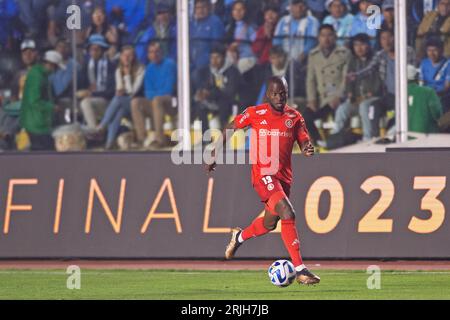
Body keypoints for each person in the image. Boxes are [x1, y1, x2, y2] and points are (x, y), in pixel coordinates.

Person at [205, 76, 320, 286]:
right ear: (268, 94)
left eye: (282, 93)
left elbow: (304, 141)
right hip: (262, 174)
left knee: (270, 223)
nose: (279, 97)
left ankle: (239, 237)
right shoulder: (254, 113)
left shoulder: (295, 117)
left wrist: (307, 149)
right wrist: (215, 152)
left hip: (284, 178)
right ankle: (301, 269)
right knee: (288, 212)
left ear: (287, 92)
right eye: (275, 93)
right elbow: (231, 127)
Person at [347, 29, 416, 136]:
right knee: (373, 107)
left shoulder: (408, 51)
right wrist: (356, 75)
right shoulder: (381, 55)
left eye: (390, 37)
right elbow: (369, 69)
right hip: (390, 95)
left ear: (396, 37)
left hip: (406, 94)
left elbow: (413, 72)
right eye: (383, 38)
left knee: (401, 114)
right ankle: (373, 138)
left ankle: (394, 135)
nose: (387, 41)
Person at [304, 24, 350, 144]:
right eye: (323, 35)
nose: (326, 38)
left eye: (329, 35)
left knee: (340, 118)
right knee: (305, 117)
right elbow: (311, 79)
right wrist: (312, 99)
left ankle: (332, 144)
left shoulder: (344, 53)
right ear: (318, 37)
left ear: (335, 36)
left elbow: (347, 78)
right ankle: (318, 142)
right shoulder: (313, 55)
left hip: (337, 98)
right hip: (321, 99)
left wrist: (339, 97)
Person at [331, 33, 382, 141]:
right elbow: (349, 82)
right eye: (356, 45)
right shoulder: (353, 61)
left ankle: (367, 139)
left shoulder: (375, 60)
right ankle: (334, 139)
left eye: (362, 44)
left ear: (368, 45)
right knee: (342, 109)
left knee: (364, 106)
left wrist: (368, 94)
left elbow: (379, 83)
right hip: (357, 99)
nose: (359, 48)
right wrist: (350, 94)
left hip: (373, 98)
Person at [95, 46, 145, 150]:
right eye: (124, 55)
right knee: (119, 112)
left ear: (134, 57)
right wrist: (123, 88)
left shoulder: (140, 69)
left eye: (130, 56)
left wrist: (127, 75)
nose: (127, 58)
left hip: (137, 104)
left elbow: (133, 92)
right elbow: (119, 90)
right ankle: (109, 144)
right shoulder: (118, 70)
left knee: (118, 99)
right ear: (121, 57)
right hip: (124, 103)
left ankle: (102, 126)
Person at [130, 42, 176, 149]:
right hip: (155, 103)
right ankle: (142, 139)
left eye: (156, 52)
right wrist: (154, 96)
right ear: (148, 55)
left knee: (157, 100)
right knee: (135, 102)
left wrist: (155, 96)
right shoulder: (149, 68)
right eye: (151, 52)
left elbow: (168, 89)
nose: (154, 54)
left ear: (161, 52)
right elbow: (147, 92)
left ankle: (160, 139)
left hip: (172, 102)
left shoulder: (170, 64)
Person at [20, 50, 65, 151]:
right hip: (35, 124)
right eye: (55, 68)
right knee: (44, 152)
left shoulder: (42, 75)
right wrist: (52, 107)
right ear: (50, 64)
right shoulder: (37, 76)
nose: (55, 71)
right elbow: (34, 101)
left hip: (39, 123)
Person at [192, 45, 241, 134]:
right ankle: (206, 138)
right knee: (200, 105)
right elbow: (207, 87)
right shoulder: (208, 71)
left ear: (223, 58)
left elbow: (230, 92)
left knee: (223, 103)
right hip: (214, 100)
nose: (214, 60)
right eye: (212, 57)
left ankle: (225, 137)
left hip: (230, 102)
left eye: (217, 57)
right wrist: (202, 93)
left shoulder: (232, 71)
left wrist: (211, 93)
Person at [0, 39, 38, 149]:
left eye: (31, 52)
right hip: (18, 106)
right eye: (25, 53)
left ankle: (7, 134)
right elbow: (13, 94)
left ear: (36, 54)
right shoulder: (19, 74)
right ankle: (4, 137)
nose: (28, 55)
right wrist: (11, 102)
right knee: (5, 112)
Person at [78, 34, 116, 131]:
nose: (94, 52)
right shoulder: (86, 65)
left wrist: (92, 93)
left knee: (85, 103)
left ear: (102, 50)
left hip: (106, 102)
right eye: (92, 49)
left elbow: (111, 91)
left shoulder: (110, 65)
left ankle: (93, 130)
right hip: (92, 99)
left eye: (97, 49)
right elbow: (80, 84)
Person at [190, 0, 225, 72]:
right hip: (192, 63)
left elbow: (216, 45)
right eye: (198, 8)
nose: (200, 10)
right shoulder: (193, 24)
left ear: (209, 8)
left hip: (208, 65)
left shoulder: (215, 21)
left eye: (203, 7)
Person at [408, 65, 443, 133]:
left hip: (406, 138)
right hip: (427, 137)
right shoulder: (428, 92)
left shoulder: (399, 94)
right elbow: (437, 114)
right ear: (416, 77)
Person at [225, 0, 257, 74]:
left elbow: (256, 43)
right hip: (233, 59)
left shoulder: (250, 27)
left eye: (241, 9)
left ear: (245, 11)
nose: (238, 12)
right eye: (235, 9)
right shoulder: (229, 28)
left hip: (247, 58)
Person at [419, 38, 450, 112]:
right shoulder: (424, 63)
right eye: (429, 50)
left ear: (441, 50)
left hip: (443, 99)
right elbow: (421, 83)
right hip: (426, 97)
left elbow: (447, 87)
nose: (432, 53)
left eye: (435, 50)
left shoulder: (448, 64)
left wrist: (433, 94)